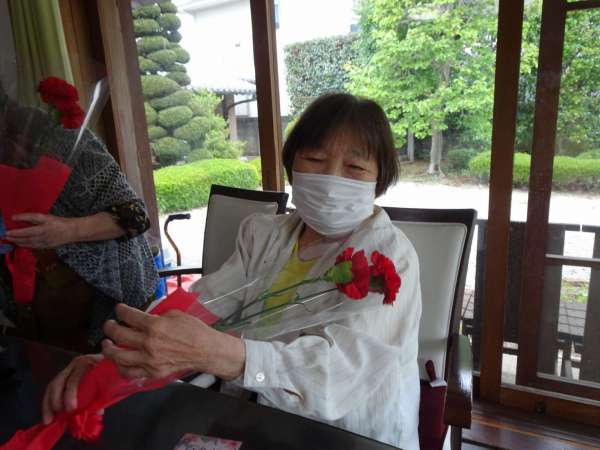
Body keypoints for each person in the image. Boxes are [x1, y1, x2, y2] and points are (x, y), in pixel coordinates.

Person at [42, 93, 422, 449]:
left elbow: (337, 376)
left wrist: (219, 353)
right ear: (292, 163)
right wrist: (124, 356)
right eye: (315, 159)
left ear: (379, 179)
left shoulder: (388, 259)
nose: (331, 179)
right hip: (256, 417)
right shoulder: (265, 233)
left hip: (350, 435)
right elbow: (207, 302)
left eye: (354, 167)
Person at [0, 85, 158, 353]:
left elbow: (136, 216)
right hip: (36, 311)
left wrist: (69, 230)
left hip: (107, 299)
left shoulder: (65, 140)